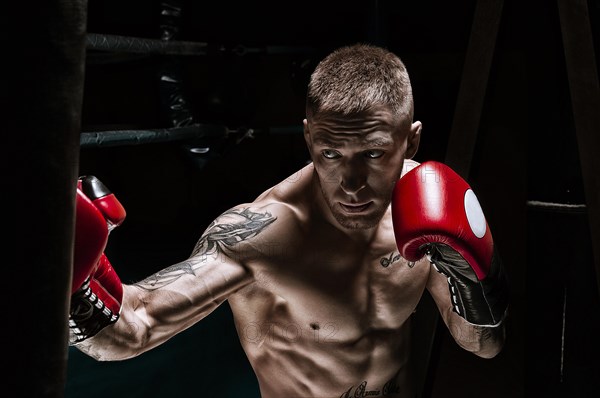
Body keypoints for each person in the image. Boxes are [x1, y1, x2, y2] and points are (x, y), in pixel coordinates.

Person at [70, 43, 509, 398]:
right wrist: (73, 281)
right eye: (330, 154)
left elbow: (483, 345)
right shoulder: (259, 235)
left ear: (410, 140)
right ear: (309, 137)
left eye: (374, 154)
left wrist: (475, 280)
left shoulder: (426, 207)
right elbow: (131, 330)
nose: (351, 184)